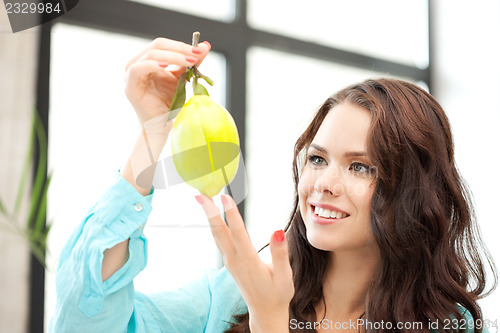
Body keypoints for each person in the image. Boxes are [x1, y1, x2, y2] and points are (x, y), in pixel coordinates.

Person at [49, 37, 497, 333]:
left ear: (415, 191)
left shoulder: (445, 324)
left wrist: (268, 318)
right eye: (317, 158)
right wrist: (151, 132)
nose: (323, 183)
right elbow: (85, 320)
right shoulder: (229, 296)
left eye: (360, 167)